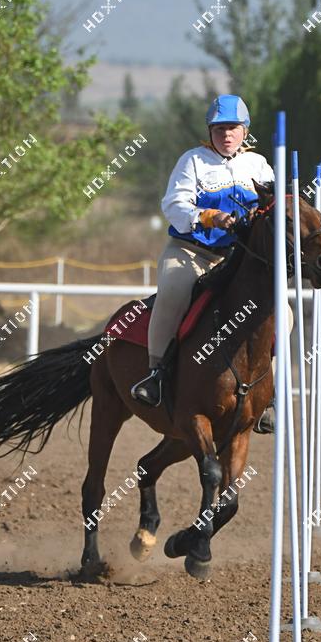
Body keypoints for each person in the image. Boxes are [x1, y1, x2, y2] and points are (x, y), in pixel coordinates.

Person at [131, 94, 278, 432]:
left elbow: (273, 207)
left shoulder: (258, 164)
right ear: (210, 131)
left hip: (239, 259)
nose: (226, 134)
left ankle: (268, 393)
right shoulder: (192, 161)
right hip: (192, 252)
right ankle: (155, 374)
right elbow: (173, 205)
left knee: (282, 314)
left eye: (233, 128)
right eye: (219, 128)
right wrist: (208, 216)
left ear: (245, 131)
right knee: (173, 291)